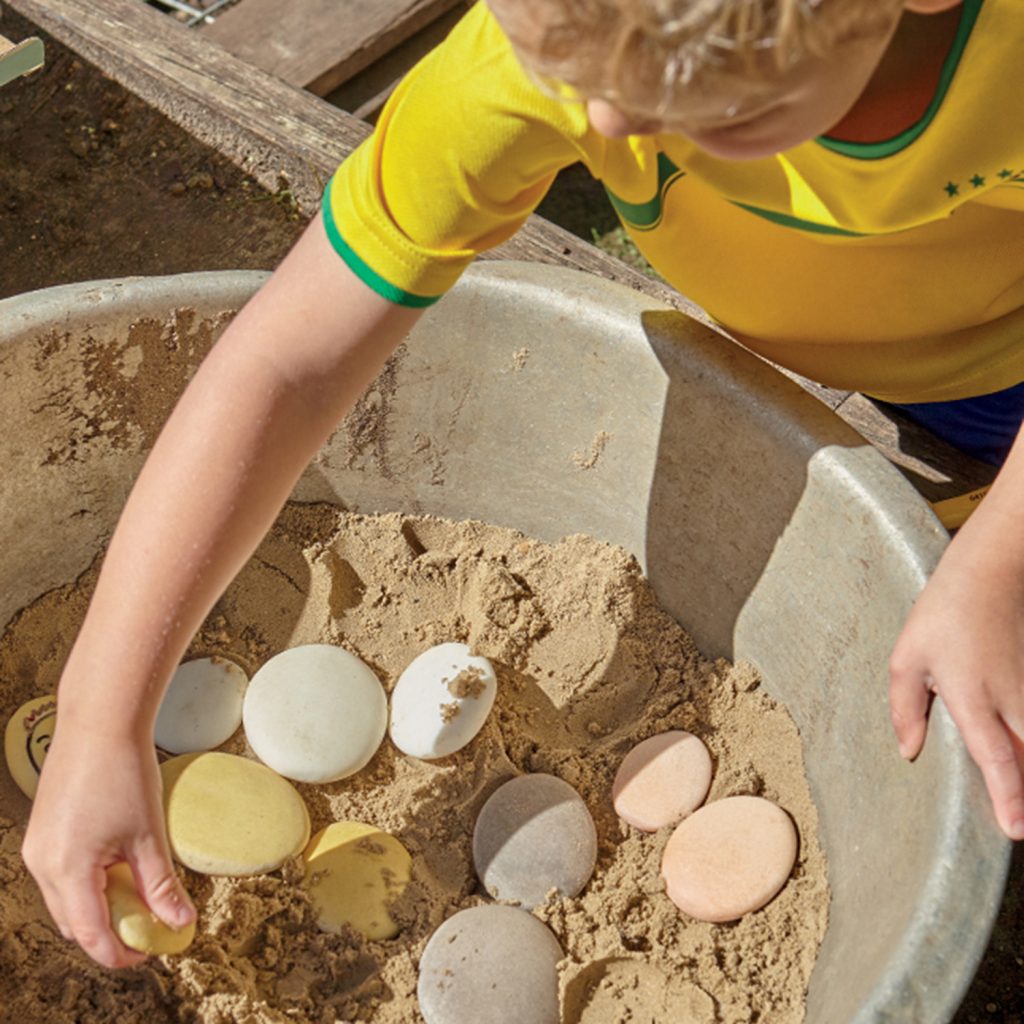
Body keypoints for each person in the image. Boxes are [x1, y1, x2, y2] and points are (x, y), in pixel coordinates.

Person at [22, 0, 1024, 969]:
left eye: (721, 107)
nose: (609, 127)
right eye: (576, 73)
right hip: (865, 336)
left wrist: (998, 558)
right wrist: (102, 709)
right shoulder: (553, 53)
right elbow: (285, 364)